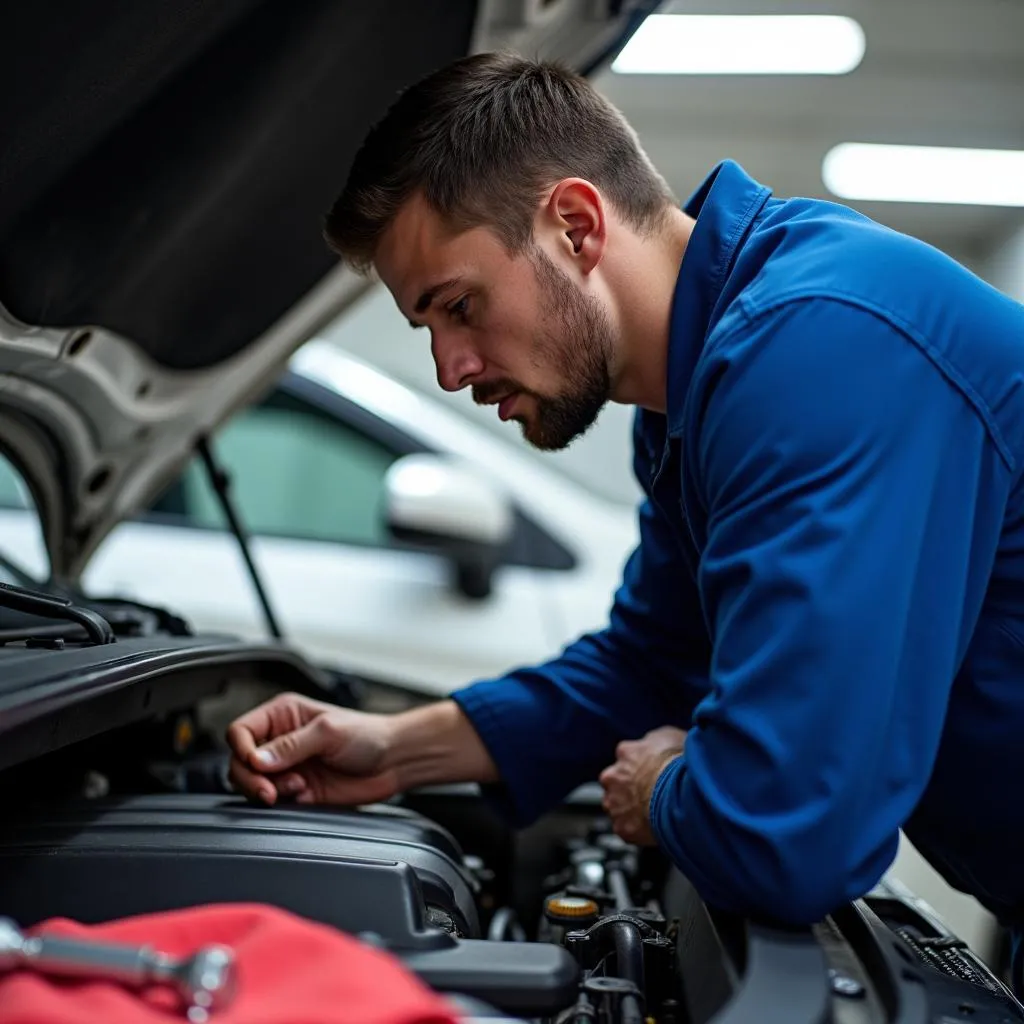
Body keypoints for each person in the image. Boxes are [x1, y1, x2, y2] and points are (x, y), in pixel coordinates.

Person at [227, 52, 1024, 968]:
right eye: (428, 330)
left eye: (460, 306)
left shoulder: (820, 350)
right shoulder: (691, 399)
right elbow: (653, 664)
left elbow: (788, 837)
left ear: (575, 223)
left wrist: (666, 788)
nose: (451, 369)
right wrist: (396, 750)